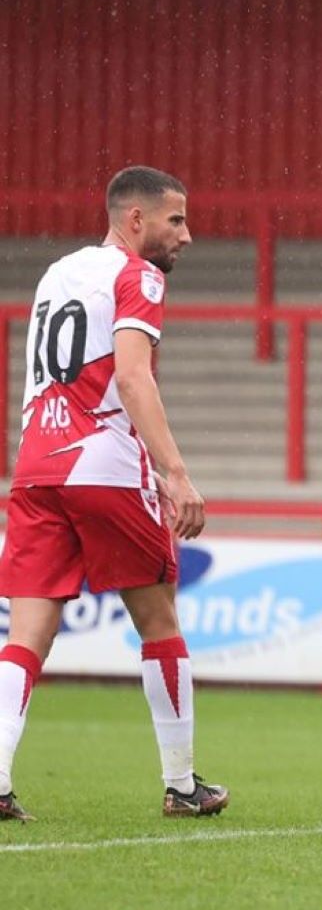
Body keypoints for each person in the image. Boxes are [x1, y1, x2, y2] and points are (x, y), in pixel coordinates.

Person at [0, 165, 223, 822]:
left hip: (36, 465)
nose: (186, 235)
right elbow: (132, 378)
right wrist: (175, 472)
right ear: (136, 222)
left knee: (26, 634)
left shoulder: (59, 271)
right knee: (158, 622)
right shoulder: (139, 275)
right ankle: (182, 785)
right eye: (175, 220)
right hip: (104, 466)